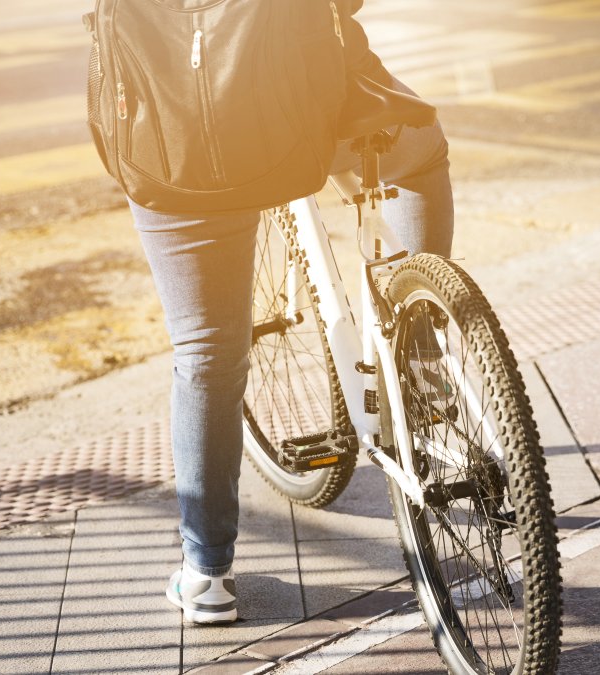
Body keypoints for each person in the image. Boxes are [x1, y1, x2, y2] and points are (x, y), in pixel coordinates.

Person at [131, 1, 455, 624]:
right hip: (309, 110)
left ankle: (205, 576)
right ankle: (420, 350)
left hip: (177, 142)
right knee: (418, 156)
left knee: (206, 354)